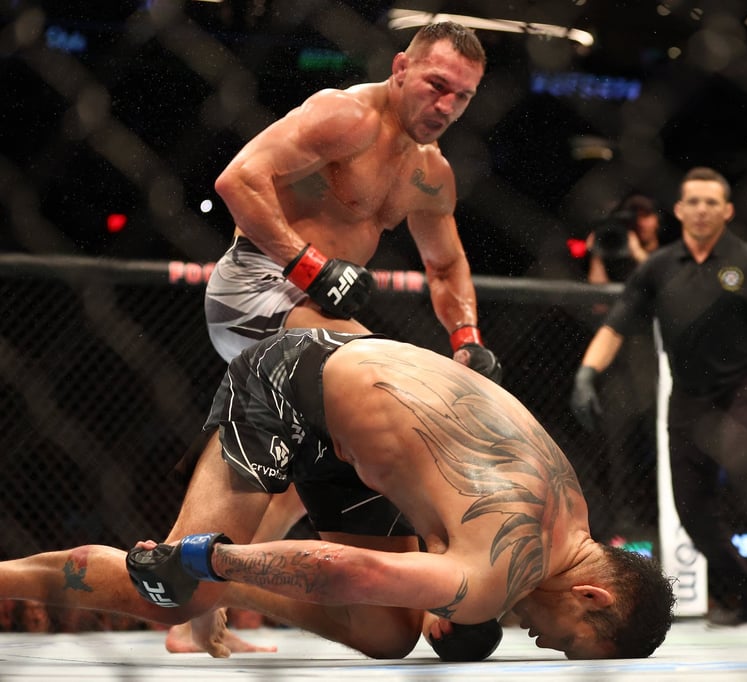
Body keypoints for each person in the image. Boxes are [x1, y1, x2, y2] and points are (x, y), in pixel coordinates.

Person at [0, 329, 676, 661]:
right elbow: (350, 572)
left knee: (387, 635)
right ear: (594, 597)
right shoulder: (501, 579)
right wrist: (211, 561)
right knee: (177, 588)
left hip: (358, 430)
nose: (543, 643)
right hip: (289, 387)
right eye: (569, 643)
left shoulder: (572, 512)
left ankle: (220, 590)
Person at [176, 20, 502, 655]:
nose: (445, 106)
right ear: (402, 67)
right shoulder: (343, 117)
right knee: (384, 375)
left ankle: (202, 603)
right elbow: (238, 181)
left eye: (461, 98)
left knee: (316, 470)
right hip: (256, 286)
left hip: (312, 313)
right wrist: (310, 265)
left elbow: (445, 264)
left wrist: (466, 335)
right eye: (436, 85)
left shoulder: (430, 175)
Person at [570, 166, 747, 627]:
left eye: (711, 202)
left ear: (728, 210)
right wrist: (586, 373)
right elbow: (616, 324)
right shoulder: (659, 268)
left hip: (741, 395)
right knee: (691, 513)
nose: (701, 209)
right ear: (678, 210)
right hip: (686, 401)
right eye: (693, 201)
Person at [578, 194, 662, 541]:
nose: (639, 223)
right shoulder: (616, 262)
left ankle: (666, 517)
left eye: (644, 215)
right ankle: (624, 526)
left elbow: (666, 292)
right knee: (618, 452)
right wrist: (598, 254)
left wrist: (639, 254)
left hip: (657, 369)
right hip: (619, 371)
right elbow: (596, 306)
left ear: (656, 220)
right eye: (632, 216)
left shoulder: (667, 259)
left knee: (663, 449)